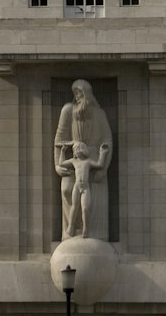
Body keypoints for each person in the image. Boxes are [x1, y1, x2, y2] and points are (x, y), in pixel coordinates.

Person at [53, 80, 113, 240]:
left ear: (87, 93)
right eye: (75, 93)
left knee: (91, 204)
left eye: (79, 93)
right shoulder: (67, 110)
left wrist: (104, 167)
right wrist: (57, 165)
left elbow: (107, 139)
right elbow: (59, 140)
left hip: (92, 159)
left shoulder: (100, 114)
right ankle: (70, 233)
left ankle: (93, 236)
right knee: (66, 191)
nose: (77, 97)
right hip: (73, 158)